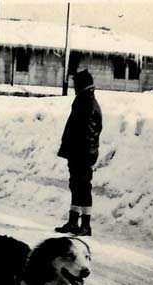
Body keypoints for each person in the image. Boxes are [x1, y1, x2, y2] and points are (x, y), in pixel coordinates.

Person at [55, 69, 102, 236]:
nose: (73, 87)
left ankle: (85, 225)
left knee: (82, 187)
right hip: (78, 152)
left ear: (81, 85)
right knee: (76, 186)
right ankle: (74, 221)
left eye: (75, 84)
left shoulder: (87, 103)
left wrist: (80, 151)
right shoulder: (83, 100)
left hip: (82, 153)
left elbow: (86, 132)